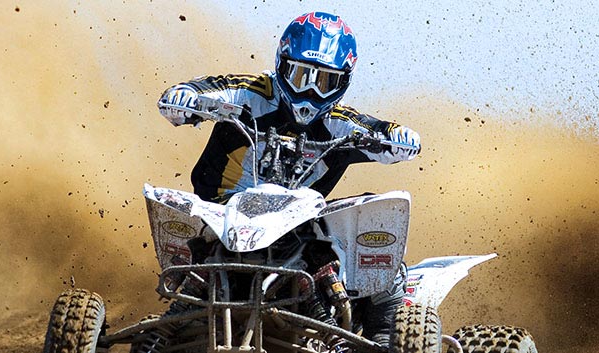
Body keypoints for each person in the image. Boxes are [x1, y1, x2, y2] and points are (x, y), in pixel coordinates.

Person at [154, 11, 420, 350]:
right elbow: (207, 89)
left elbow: (383, 132)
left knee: (375, 221)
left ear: (342, 83)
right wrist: (185, 98)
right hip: (222, 219)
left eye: (324, 82)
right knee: (179, 222)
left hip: (300, 231)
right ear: (281, 65)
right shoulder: (250, 94)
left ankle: (385, 335)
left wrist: (398, 137)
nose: (309, 89)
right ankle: (160, 332)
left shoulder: (341, 124)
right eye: (300, 75)